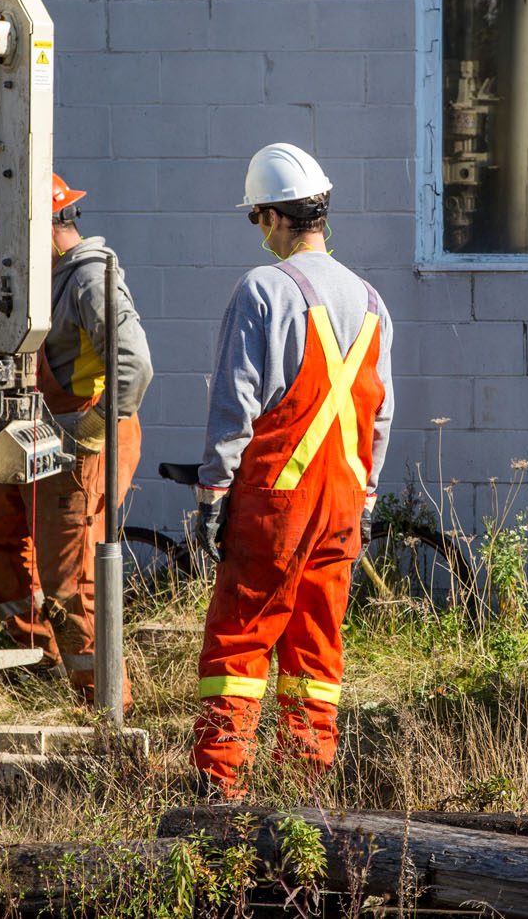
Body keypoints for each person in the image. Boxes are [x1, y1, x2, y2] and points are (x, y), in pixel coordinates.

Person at [191, 142, 395, 798]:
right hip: (342, 501)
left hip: (276, 499)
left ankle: (218, 791)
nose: (258, 231)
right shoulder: (371, 300)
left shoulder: (262, 290)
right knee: (315, 648)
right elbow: (379, 417)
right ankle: (302, 791)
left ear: (276, 217)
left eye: (257, 217)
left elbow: (234, 403)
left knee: (240, 641)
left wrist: (213, 491)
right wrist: (364, 499)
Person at [0, 173, 153, 708]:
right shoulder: (53, 278)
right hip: (44, 437)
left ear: (41, 227)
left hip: (83, 443)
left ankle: (103, 705)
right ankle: (45, 657)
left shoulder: (90, 279)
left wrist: (90, 434)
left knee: (71, 580)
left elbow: (135, 366)